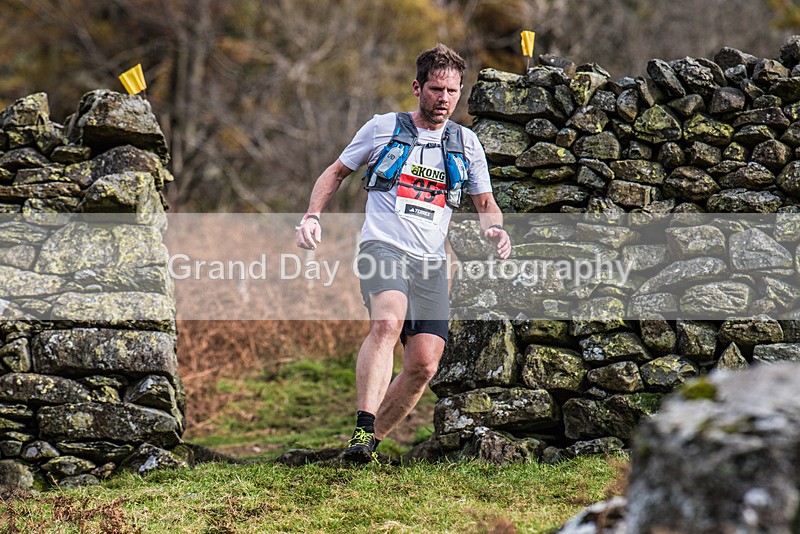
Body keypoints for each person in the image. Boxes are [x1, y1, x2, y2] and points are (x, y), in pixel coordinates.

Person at [295, 43, 510, 463]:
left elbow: (485, 203)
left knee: (424, 366)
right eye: (435, 89)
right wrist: (312, 216)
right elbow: (336, 172)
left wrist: (496, 230)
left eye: (451, 91)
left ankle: (365, 447)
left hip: (431, 261)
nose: (443, 98)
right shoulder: (382, 128)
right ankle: (361, 426)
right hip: (383, 246)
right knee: (388, 321)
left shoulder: (466, 143)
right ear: (417, 87)